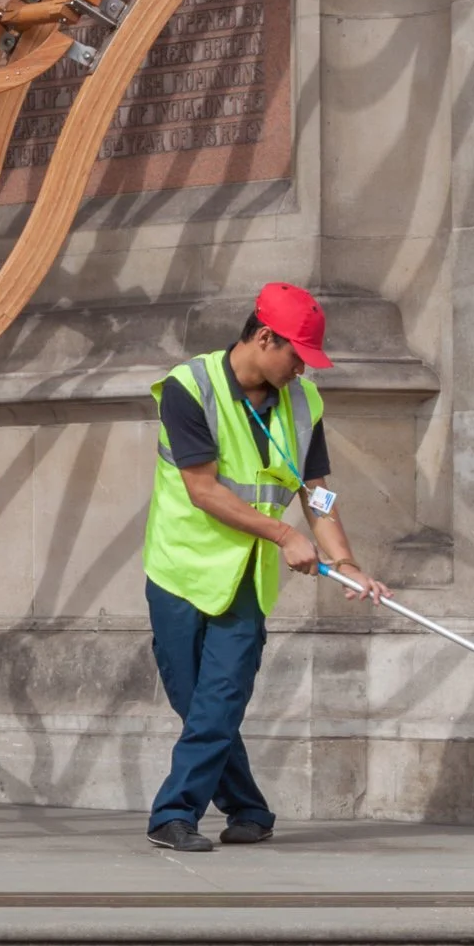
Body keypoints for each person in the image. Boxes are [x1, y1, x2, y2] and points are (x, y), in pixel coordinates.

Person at [143, 282, 388, 852]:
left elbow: (316, 494)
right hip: (179, 569)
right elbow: (202, 490)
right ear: (264, 337)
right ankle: (250, 809)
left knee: (219, 700)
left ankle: (172, 815)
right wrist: (283, 535)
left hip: (245, 582)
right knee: (196, 705)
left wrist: (344, 560)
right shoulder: (189, 388)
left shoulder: (304, 403)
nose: (302, 370)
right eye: (297, 356)